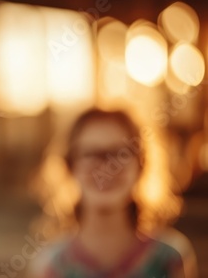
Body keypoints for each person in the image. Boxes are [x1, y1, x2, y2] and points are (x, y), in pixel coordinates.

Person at [26, 108, 197, 278]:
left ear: (141, 166)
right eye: (91, 154)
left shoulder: (170, 259)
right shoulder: (50, 266)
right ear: (69, 165)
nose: (106, 168)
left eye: (119, 154)